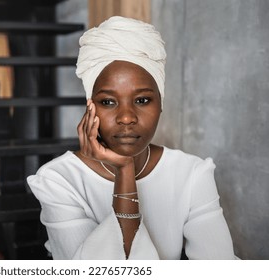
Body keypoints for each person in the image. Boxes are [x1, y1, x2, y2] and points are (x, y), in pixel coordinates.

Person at [27, 16, 235, 260]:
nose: (126, 117)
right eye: (108, 102)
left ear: (160, 104)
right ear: (90, 107)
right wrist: (125, 170)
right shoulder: (59, 180)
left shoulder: (192, 174)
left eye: (142, 100)